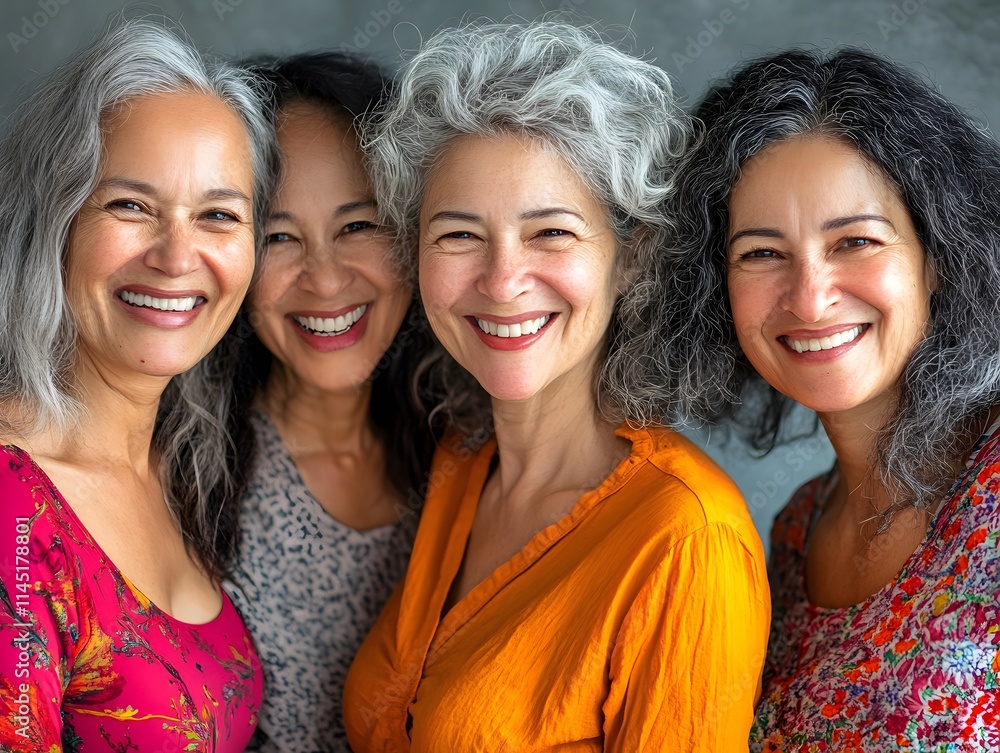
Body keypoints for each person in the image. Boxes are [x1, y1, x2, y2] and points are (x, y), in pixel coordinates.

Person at [342, 20, 769, 752]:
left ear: (629, 259)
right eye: (459, 234)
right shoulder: (460, 463)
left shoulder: (687, 539)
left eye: (552, 233)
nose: (503, 280)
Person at [665, 48, 1000, 750]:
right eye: (761, 253)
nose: (810, 296)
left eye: (855, 240)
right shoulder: (790, 538)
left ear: (937, 257)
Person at [0, 19, 276, 752]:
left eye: (218, 215)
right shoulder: (11, 509)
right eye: (131, 205)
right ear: (52, 220)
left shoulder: (182, 466)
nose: (178, 254)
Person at [221, 52, 434, 753]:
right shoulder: (187, 476)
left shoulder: (469, 452)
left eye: (358, 225)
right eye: (278, 236)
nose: (325, 278)